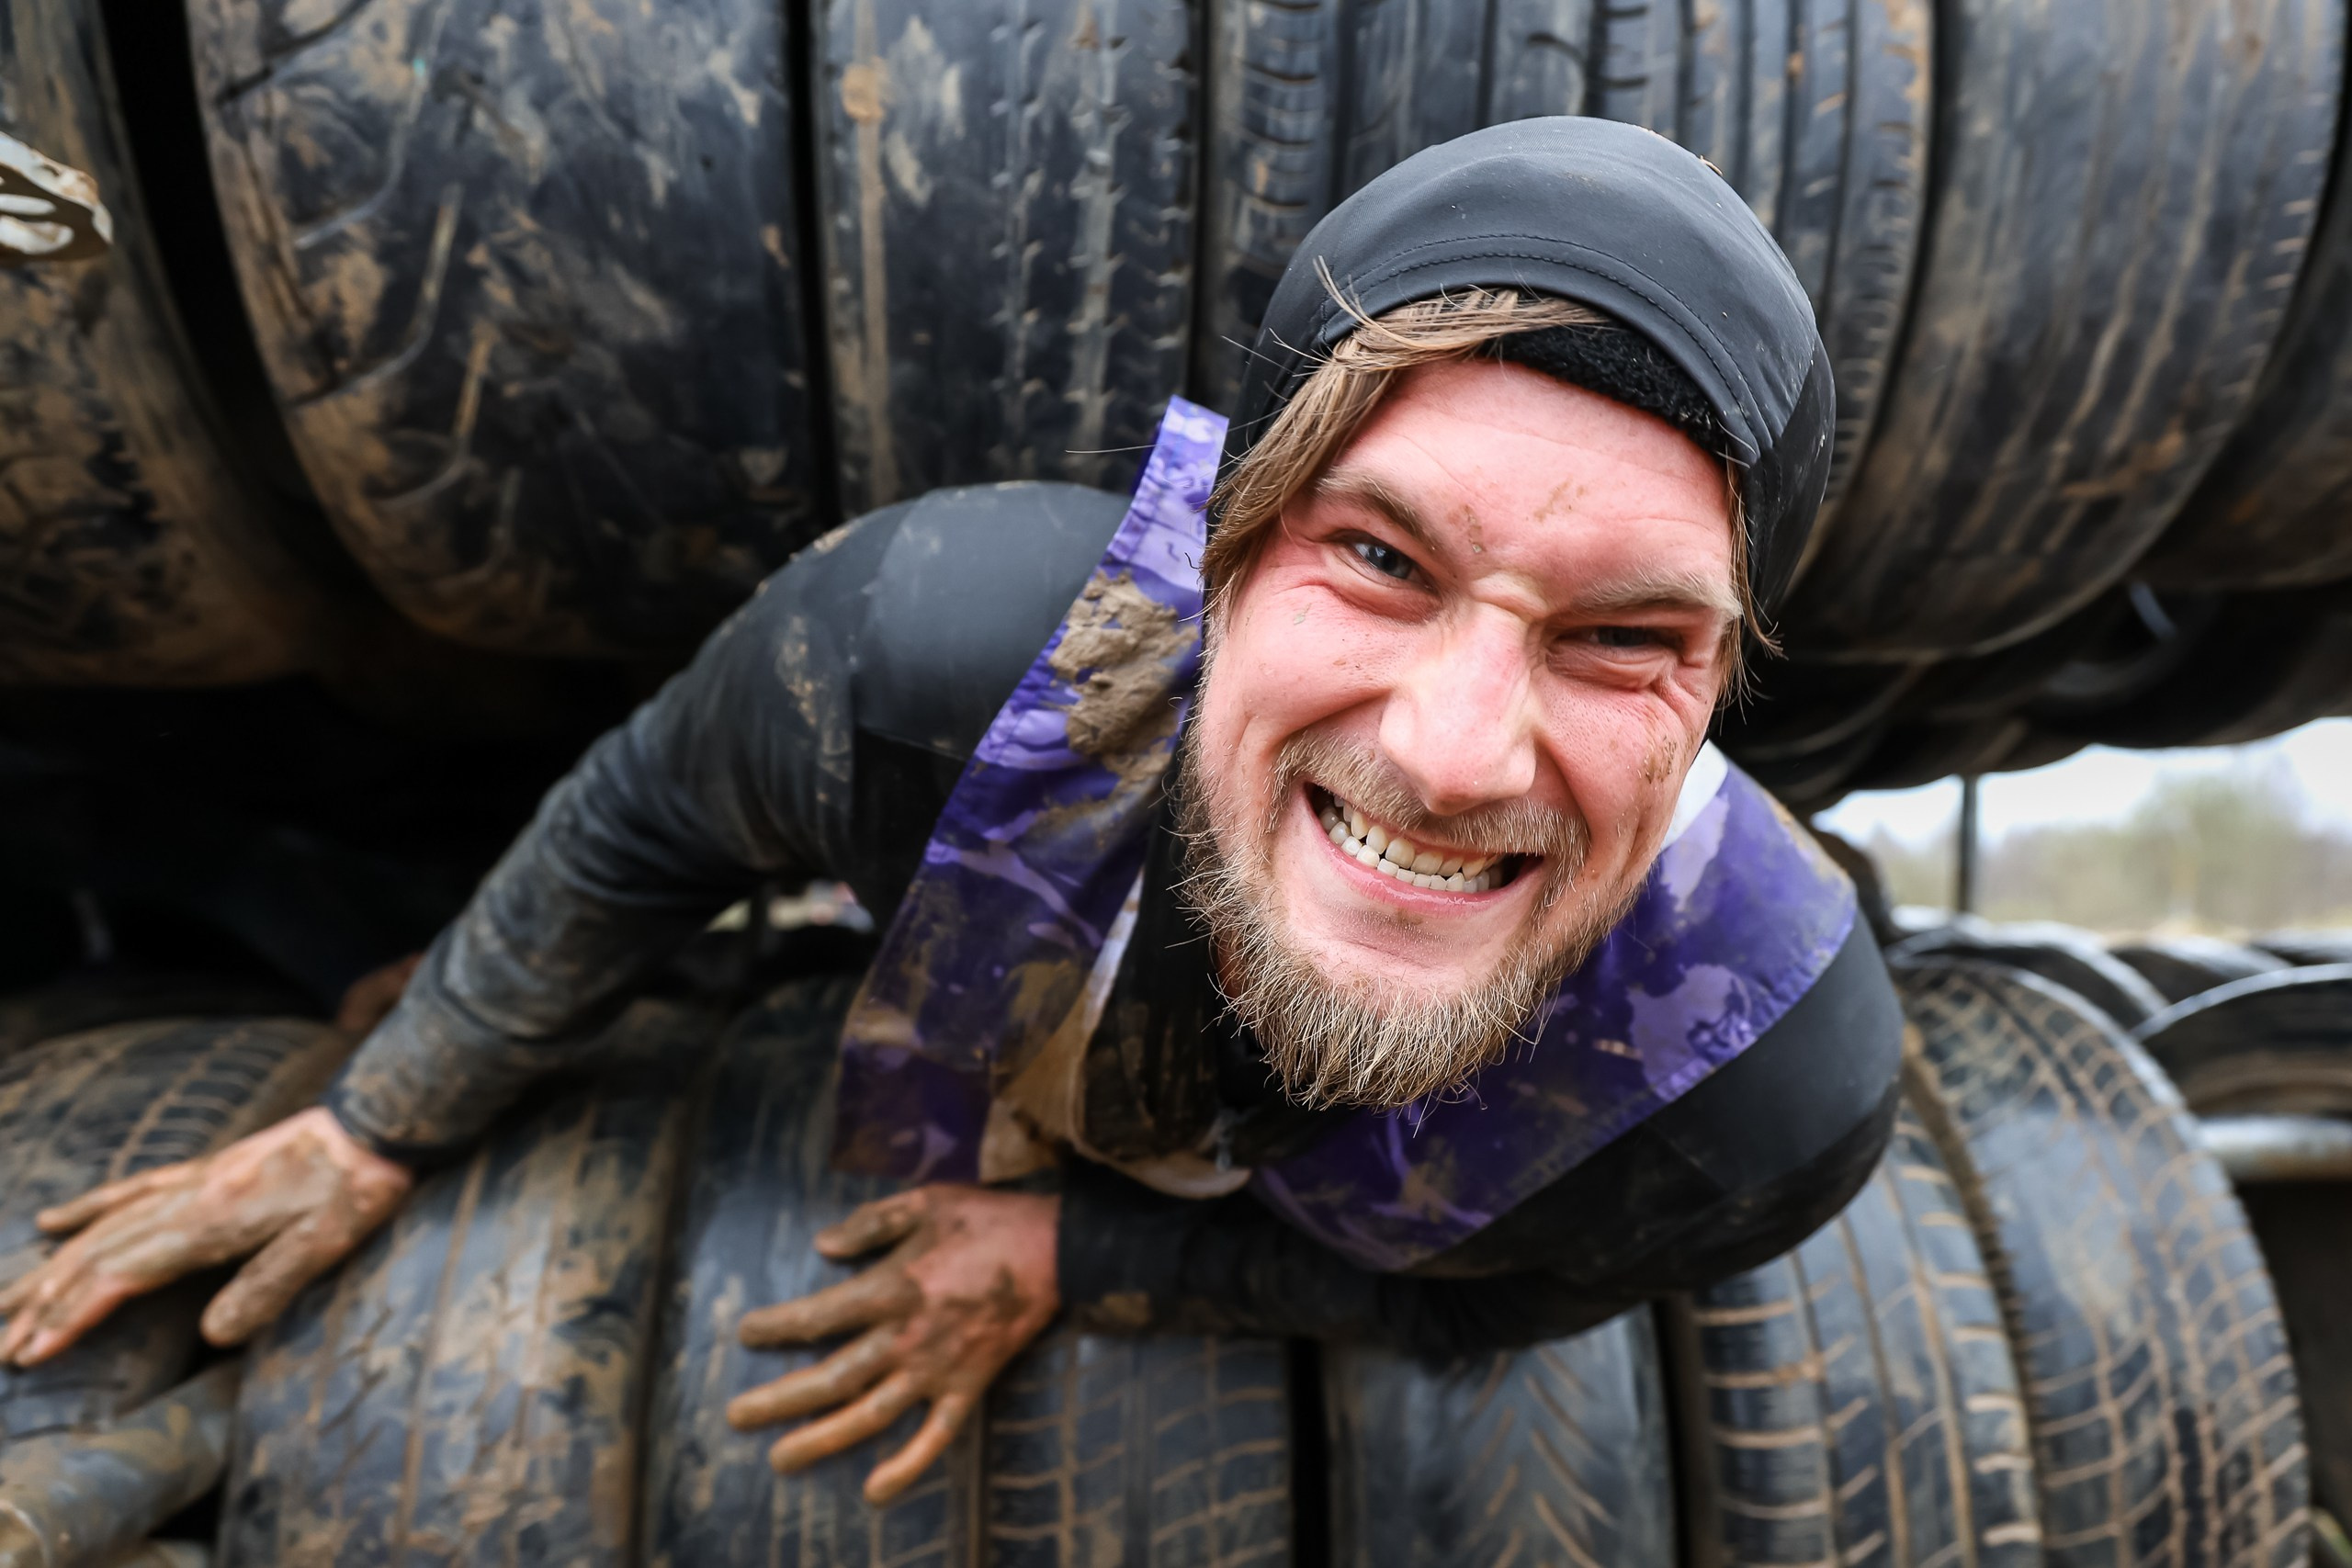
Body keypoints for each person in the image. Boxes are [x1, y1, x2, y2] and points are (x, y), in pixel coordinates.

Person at [0, 118, 1901, 1506]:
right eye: (1379, 557)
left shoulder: (1758, 1087)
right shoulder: (934, 649)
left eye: (1624, 634)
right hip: (948, 946)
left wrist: (1080, 1260)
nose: (1461, 747)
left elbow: (1488, 1303)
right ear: (1224, 553)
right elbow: (641, 819)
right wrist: (374, 1119)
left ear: (1714, 694)